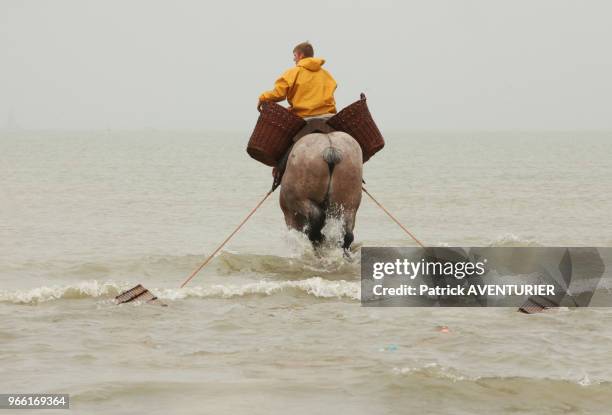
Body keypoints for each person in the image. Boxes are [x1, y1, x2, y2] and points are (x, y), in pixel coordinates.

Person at [258, 42, 337, 117]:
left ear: (301, 55)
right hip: (328, 115)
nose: (294, 59)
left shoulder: (292, 73)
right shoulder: (327, 74)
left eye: (295, 55)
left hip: (303, 116)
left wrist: (263, 97)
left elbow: (279, 94)